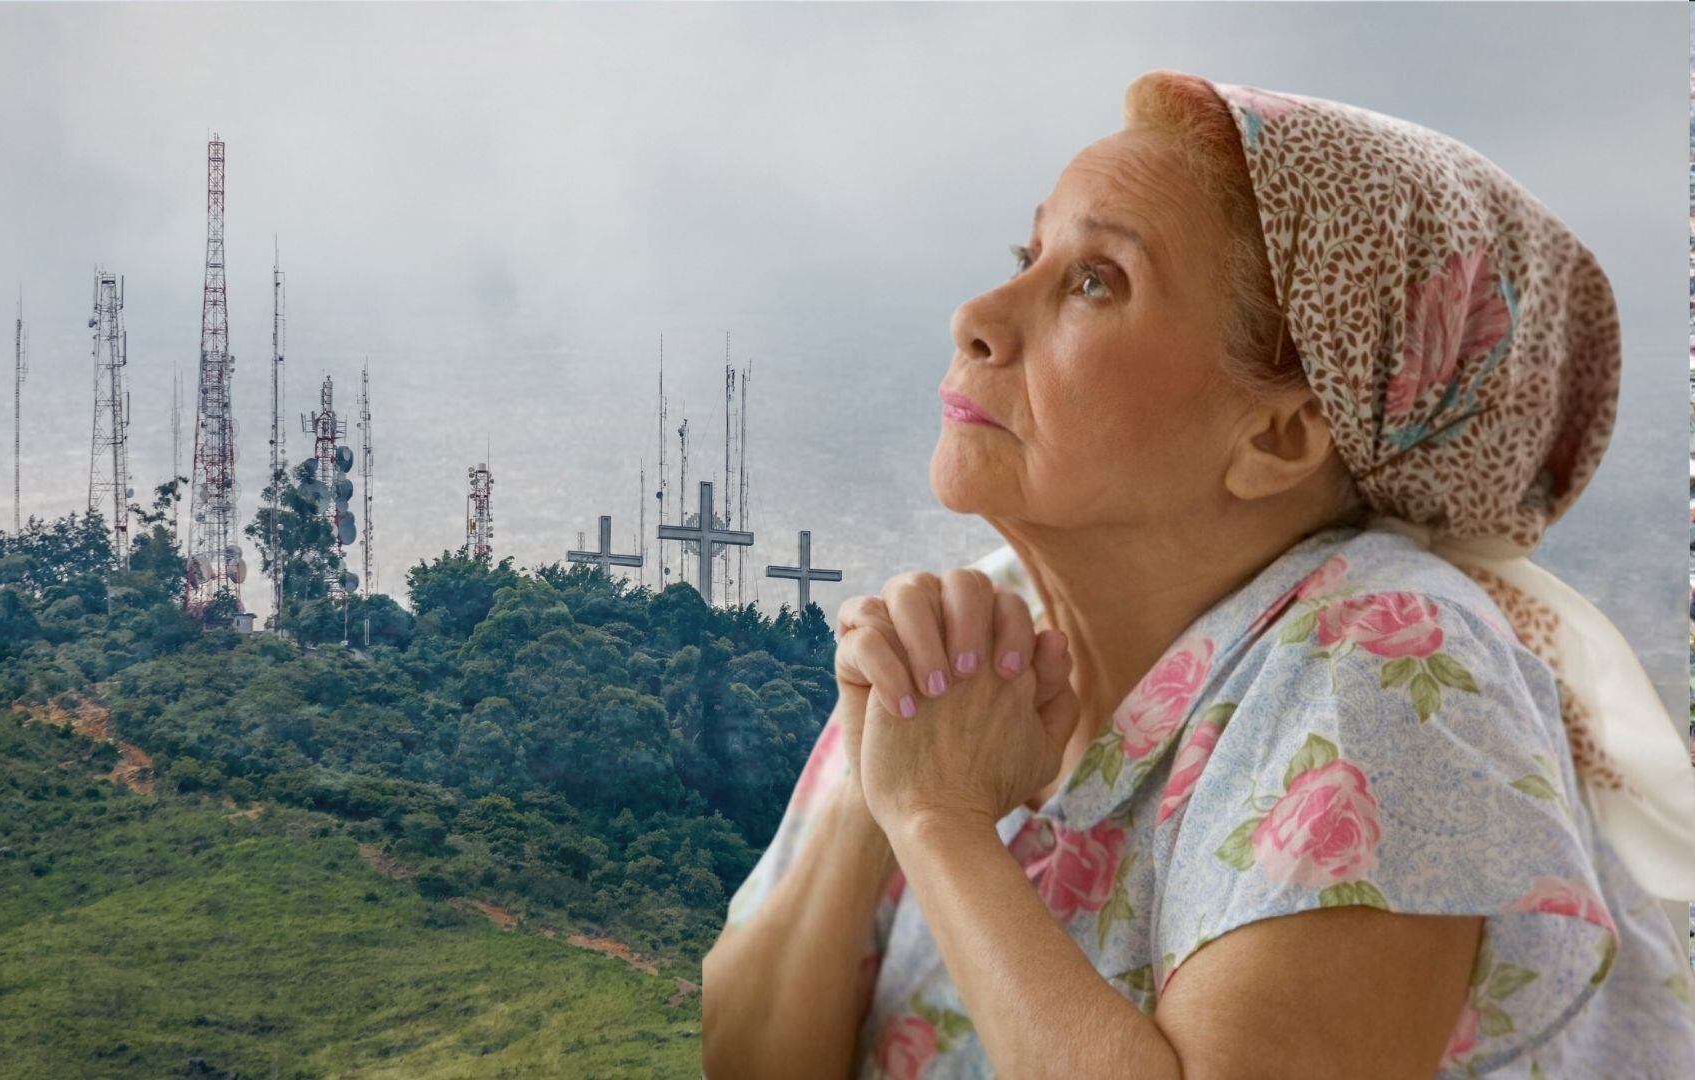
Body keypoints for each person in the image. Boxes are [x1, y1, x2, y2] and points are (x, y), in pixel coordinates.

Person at [701, 69, 1695, 1078]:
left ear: (1280, 432)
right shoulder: (988, 612)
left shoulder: (1389, 672)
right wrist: (880, 798)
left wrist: (940, 823)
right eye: (1028, 254)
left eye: (1096, 280)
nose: (977, 314)